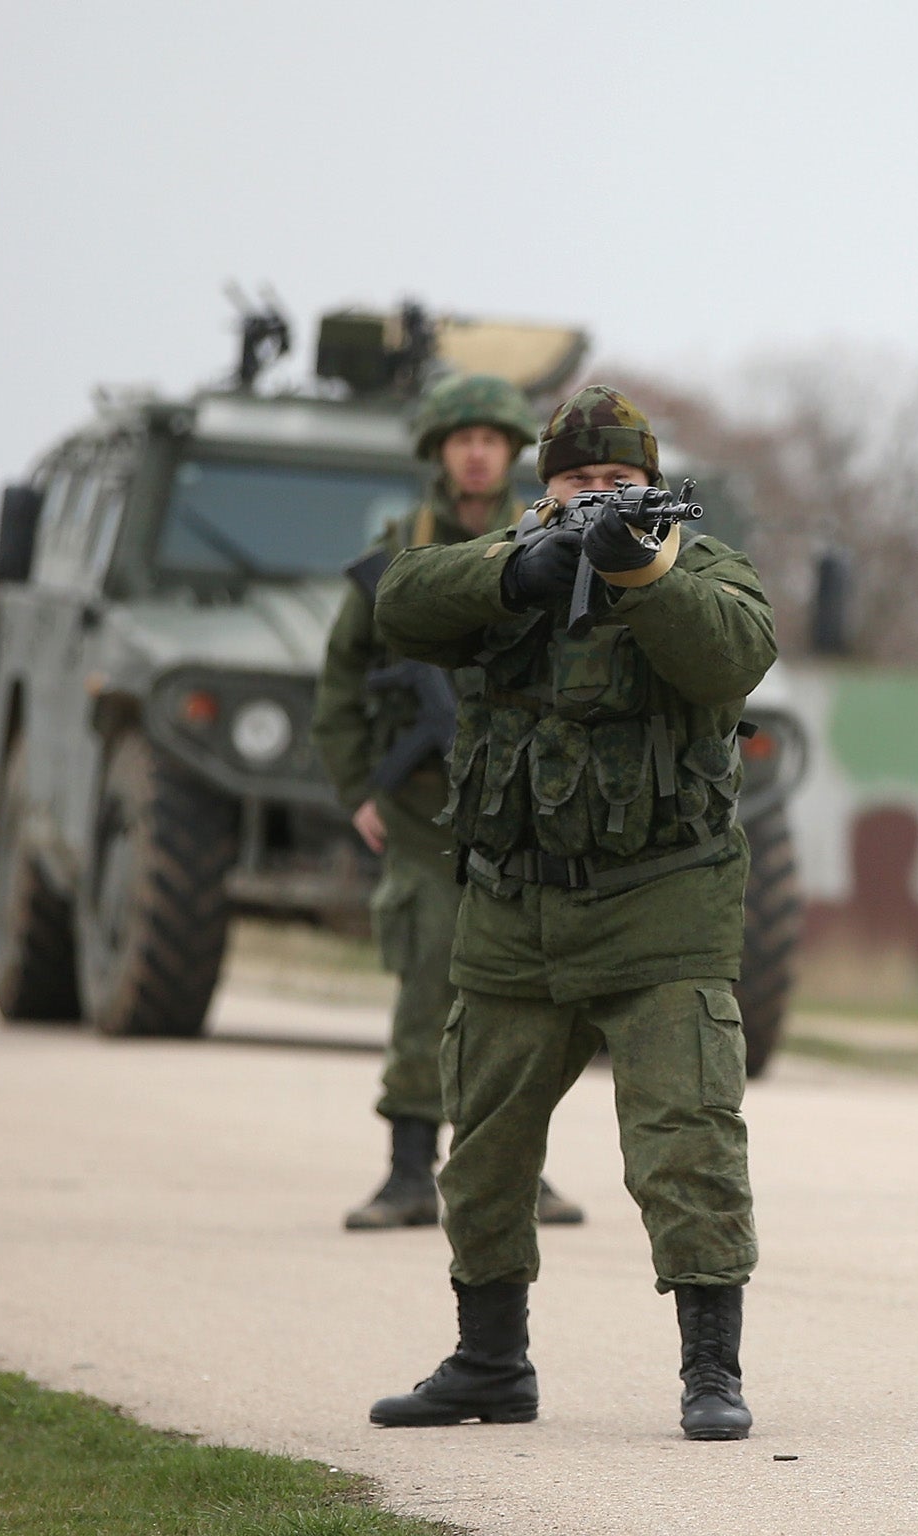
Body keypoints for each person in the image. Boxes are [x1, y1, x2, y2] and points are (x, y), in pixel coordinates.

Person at [365, 384, 775, 1440]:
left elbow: (731, 653)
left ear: (652, 485)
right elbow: (397, 604)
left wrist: (640, 571)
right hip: (511, 910)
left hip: (662, 909)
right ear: (540, 490)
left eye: (618, 482)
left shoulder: (702, 567)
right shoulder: (505, 561)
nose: (598, 497)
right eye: (577, 485)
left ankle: (710, 1371)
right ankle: (489, 1363)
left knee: (686, 1144)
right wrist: (519, 569)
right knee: (485, 1151)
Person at [313, 373, 585, 1232]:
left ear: (511, 453)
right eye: (461, 439)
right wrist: (360, 785)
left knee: (523, 992)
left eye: (492, 439)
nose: (476, 453)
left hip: (520, 807)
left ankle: (511, 1167)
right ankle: (406, 1171)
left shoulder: (548, 537)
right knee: (430, 973)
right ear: (441, 452)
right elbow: (340, 680)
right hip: (424, 806)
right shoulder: (402, 548)